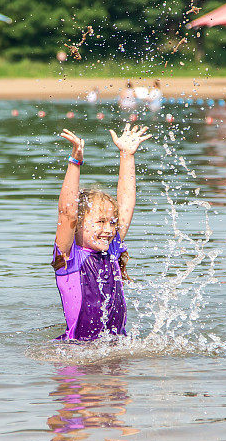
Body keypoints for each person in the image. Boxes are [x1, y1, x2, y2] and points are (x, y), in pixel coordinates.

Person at [52, 124, 152, 341]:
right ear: (77, 224)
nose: (108, 230)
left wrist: (126, 156)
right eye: (100, 222)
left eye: (111, 223)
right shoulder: (68, 258)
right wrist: (75, 162)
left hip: (116, 349)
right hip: (77, 354)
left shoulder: (111, 250)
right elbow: (67, 212)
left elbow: (126, 205)